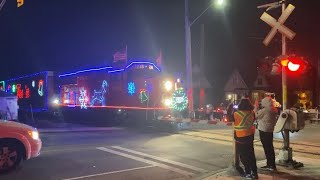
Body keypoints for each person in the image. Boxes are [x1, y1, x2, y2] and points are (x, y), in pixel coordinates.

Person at [234, 98, 258, 179]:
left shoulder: (236, 113)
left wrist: (231, 106)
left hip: (240, 137)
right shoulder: (252, 113)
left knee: (243, 156)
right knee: (251, 155)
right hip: (250, 136)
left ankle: (248, 172)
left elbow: (229, 118)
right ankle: (254, 173)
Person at [254, 97, 278, 171]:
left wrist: (256, 107)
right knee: (270, 147)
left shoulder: (265, 110)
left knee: (267, 148)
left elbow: (255, 116)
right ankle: (271, 164)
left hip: (264, 130)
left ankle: (270, 165)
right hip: (270, 130)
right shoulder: (274, 109)